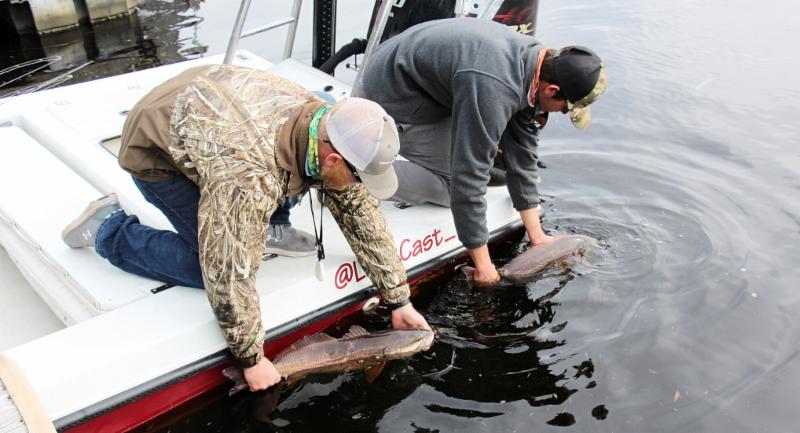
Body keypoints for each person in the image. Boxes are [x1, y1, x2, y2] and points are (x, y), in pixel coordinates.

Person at [61, 64, 431, 391]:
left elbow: (359, 213)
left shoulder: (327, 124)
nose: (360, 186)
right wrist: (251, 359)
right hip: (157, 149)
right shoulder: (247, 177)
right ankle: (108, 230)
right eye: (360, 177)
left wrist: (398, 299)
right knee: (204, 265)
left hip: (215, 114)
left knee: (298, 188)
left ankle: (264, 224)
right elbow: (226, 270)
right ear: (334, 157)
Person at [356, 18, 607, 287]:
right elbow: (468, 177)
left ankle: (356, 164)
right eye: (565, 109)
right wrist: (484, 266)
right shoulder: (494, 87)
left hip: (420, 79)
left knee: (495, 170)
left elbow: (522, 155)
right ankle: (350, 170)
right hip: (390, 95)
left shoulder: (534, 62)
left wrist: (538, 237)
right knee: (452, 185)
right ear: (552, 89)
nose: (560, 113)